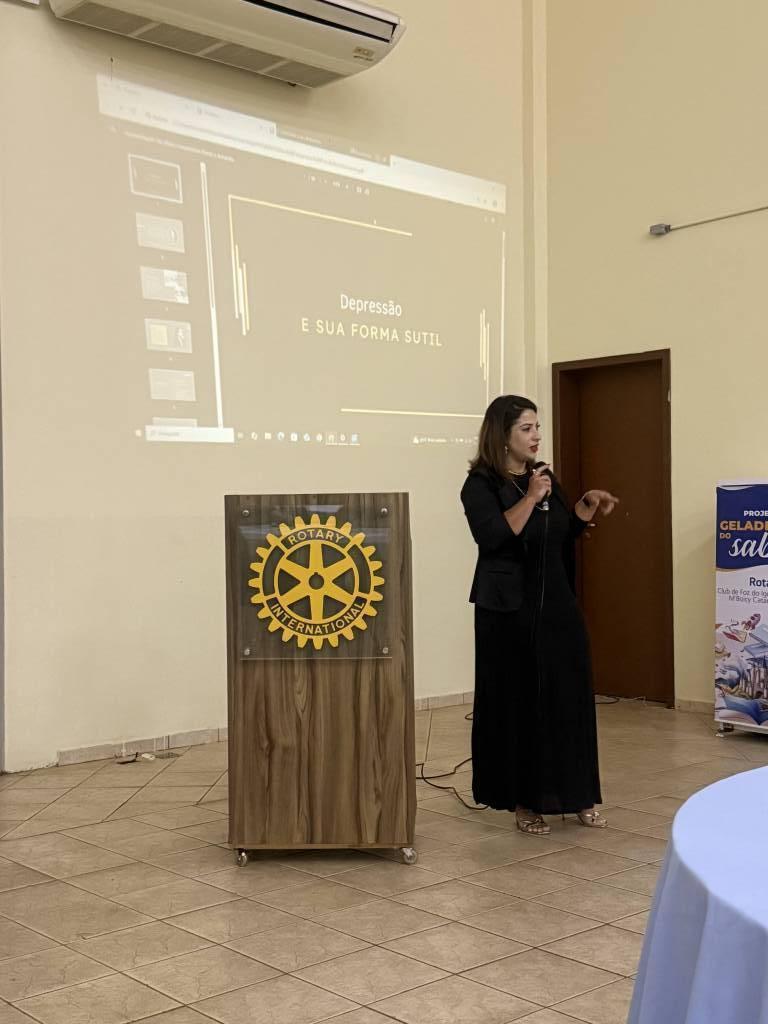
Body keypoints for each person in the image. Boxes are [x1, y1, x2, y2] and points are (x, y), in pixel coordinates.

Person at [460, 394, 619, 835]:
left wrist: (583, 508)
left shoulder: (543, 476)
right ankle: (525, 801)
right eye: (526, 429)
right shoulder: (480, 485)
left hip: (557, 604)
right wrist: (531, 497)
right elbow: (495, 536)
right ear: (502, 435)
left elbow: (559, 532)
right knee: (520, 704)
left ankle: (578, 794)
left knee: (568, 696)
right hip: (508, 612)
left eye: (537, 428)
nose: (536, 436)